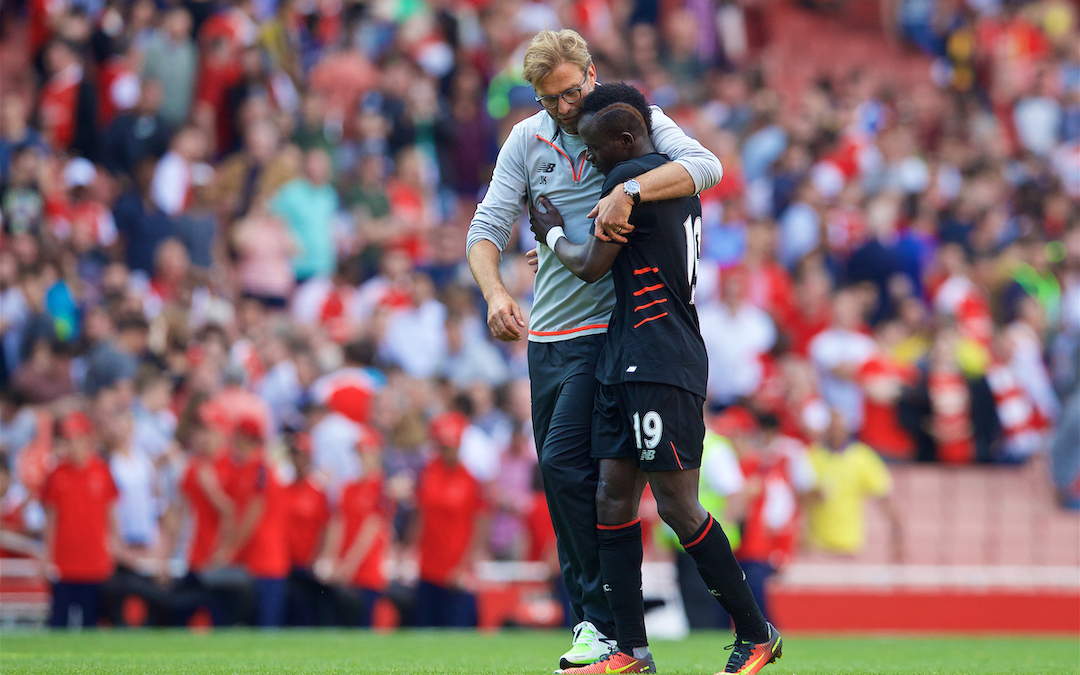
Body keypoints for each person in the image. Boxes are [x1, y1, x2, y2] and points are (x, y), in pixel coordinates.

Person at [465, 28, 723, 669]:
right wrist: (496, 293)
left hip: (609, 332)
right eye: (551, 99)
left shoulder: (636, 120)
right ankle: (608, 632)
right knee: (568, 483)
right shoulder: (527, 141)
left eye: (571, 91)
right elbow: (485, 228)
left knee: (567, 467)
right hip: (547, 338)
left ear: (589, 72)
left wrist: (628, 190)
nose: (565, 107)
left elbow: (706, 168)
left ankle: (602, 627)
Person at [528, 83, 780, 675]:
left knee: (677, 505)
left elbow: (591, 266)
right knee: (611, 496)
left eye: (594, 150)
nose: (588, 161)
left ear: (624, 139)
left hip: (661, 359)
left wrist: (552, 231)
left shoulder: (634, 182)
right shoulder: (669, 178)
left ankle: (756, 630)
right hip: (626, 357)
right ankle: (630, 652)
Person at [41, 412, 120, 628]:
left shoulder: (102, 472)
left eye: (75, 438)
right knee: (58, 623)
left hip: (93, 561)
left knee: (91, 623)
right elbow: (50, 519)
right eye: (68, 439)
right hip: (64, 562)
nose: (71, 444)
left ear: (87, 438)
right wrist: (46, 556)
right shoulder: (56, 474)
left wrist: (113, 549)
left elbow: (111, 515)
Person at [411, 411, 487, 628]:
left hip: (455, 568)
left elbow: (479, 526)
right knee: (424, 629)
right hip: (427, 564)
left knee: (455, 630)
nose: (446, 451)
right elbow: (420, 515)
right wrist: (410, 550)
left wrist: (465, 566)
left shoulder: (470, 480)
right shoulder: (428, 473)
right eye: (443, 446)